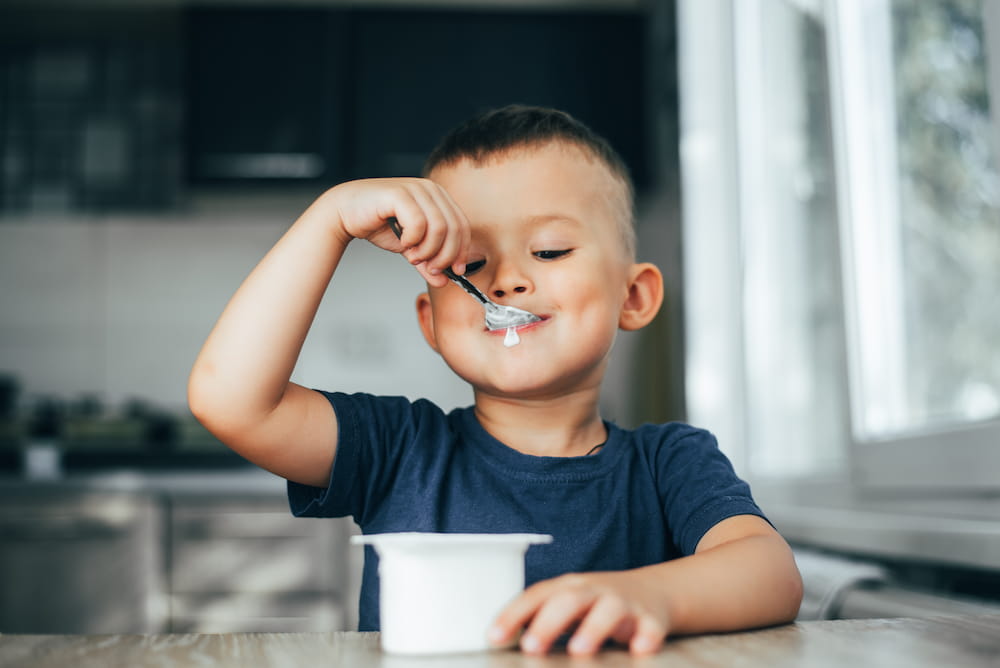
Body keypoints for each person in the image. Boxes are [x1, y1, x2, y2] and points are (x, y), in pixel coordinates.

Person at [188, 105, 803, 656]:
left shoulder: (670, 462)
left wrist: (650, 595)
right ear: (431, 323)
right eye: (473, 265)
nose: (506, 281)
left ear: (634, 296)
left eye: (551, 251)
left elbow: (770, 572)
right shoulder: (398, 450)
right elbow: (232, 402)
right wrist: (329, 218)